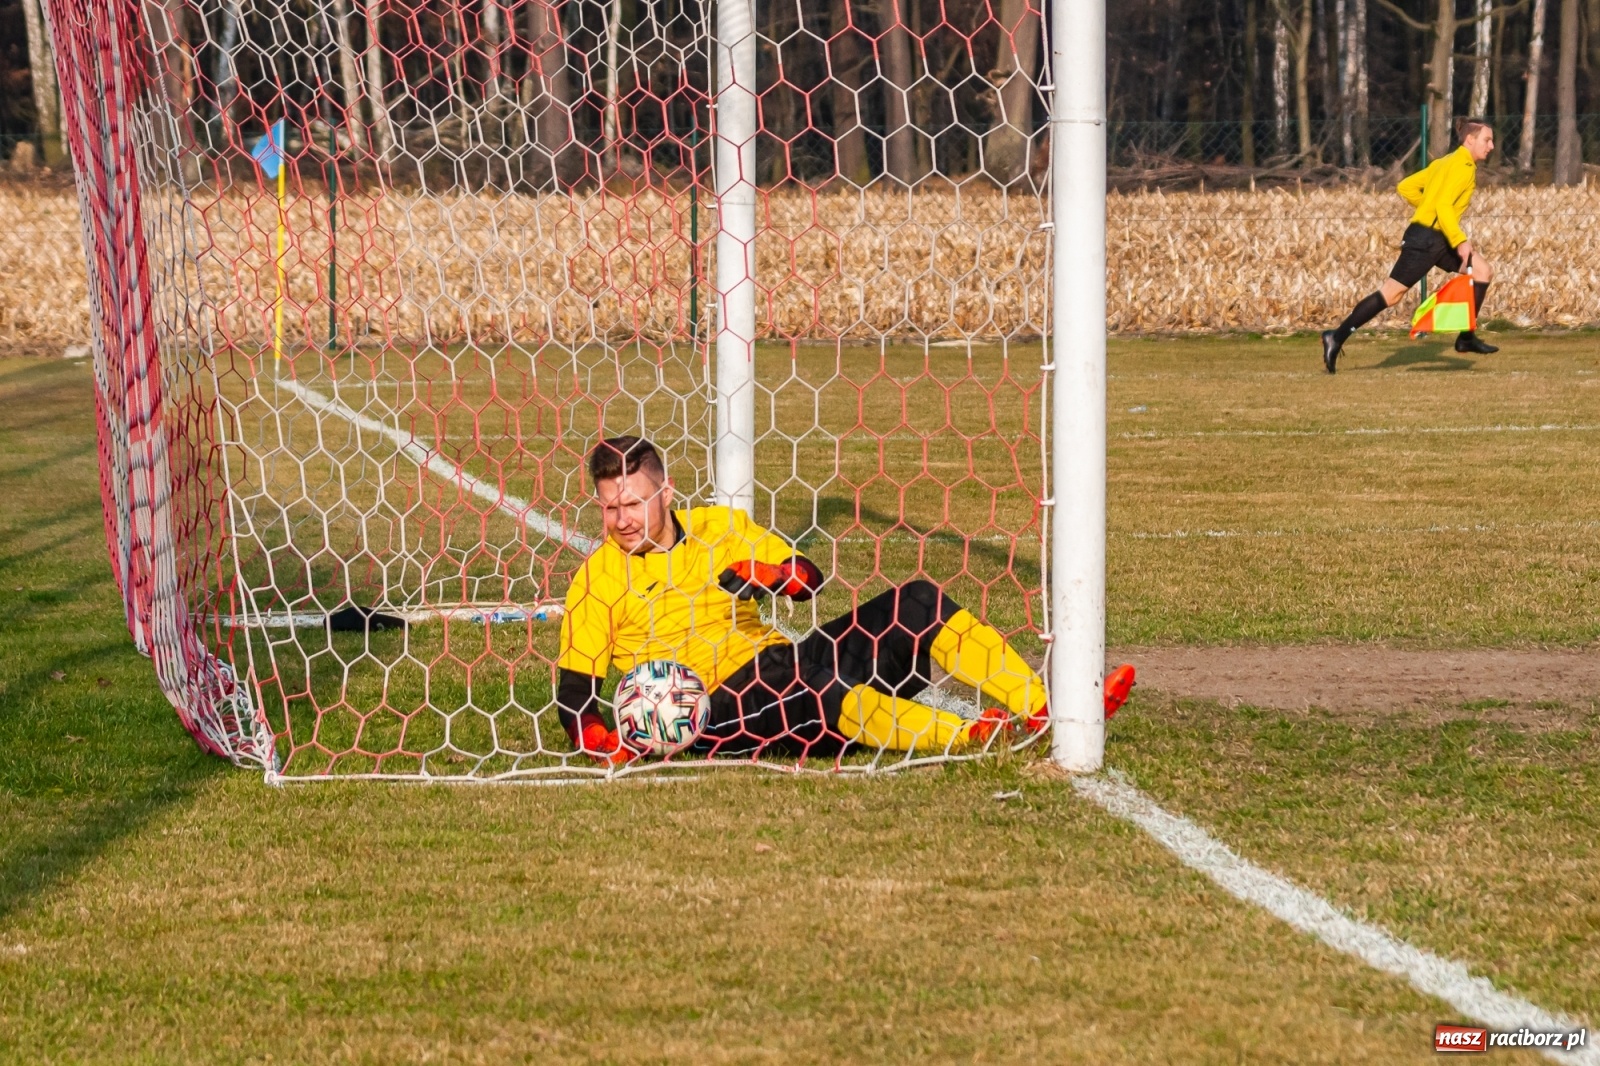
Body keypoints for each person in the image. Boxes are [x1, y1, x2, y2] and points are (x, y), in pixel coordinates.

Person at [556, 435, 1135, 765]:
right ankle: (969, 738)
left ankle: (1043, 708)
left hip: (784, 663)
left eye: (631, 503)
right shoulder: (597, 579)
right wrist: (600, 738)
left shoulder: (718, 526)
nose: (621, 520)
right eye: (609, 507)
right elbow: (574, 692)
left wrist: (774, 574)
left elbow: (808, 579)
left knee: (918, 602)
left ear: (665, 491)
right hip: (714, 712)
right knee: (812, 685)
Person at [1320, 117, 1499, 374]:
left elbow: (1406, 187)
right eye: (1487, 140)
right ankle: (1335, 337)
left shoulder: (1445, 162)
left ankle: (1466, 337)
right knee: (1391, 294)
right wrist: (1460, 240)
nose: (1491, 146)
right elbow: (1444, 206)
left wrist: (1428, 208)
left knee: (1483, 271)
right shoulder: (1462, 166)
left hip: (1436, 236)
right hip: (1426, 240)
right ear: (1470, 140)